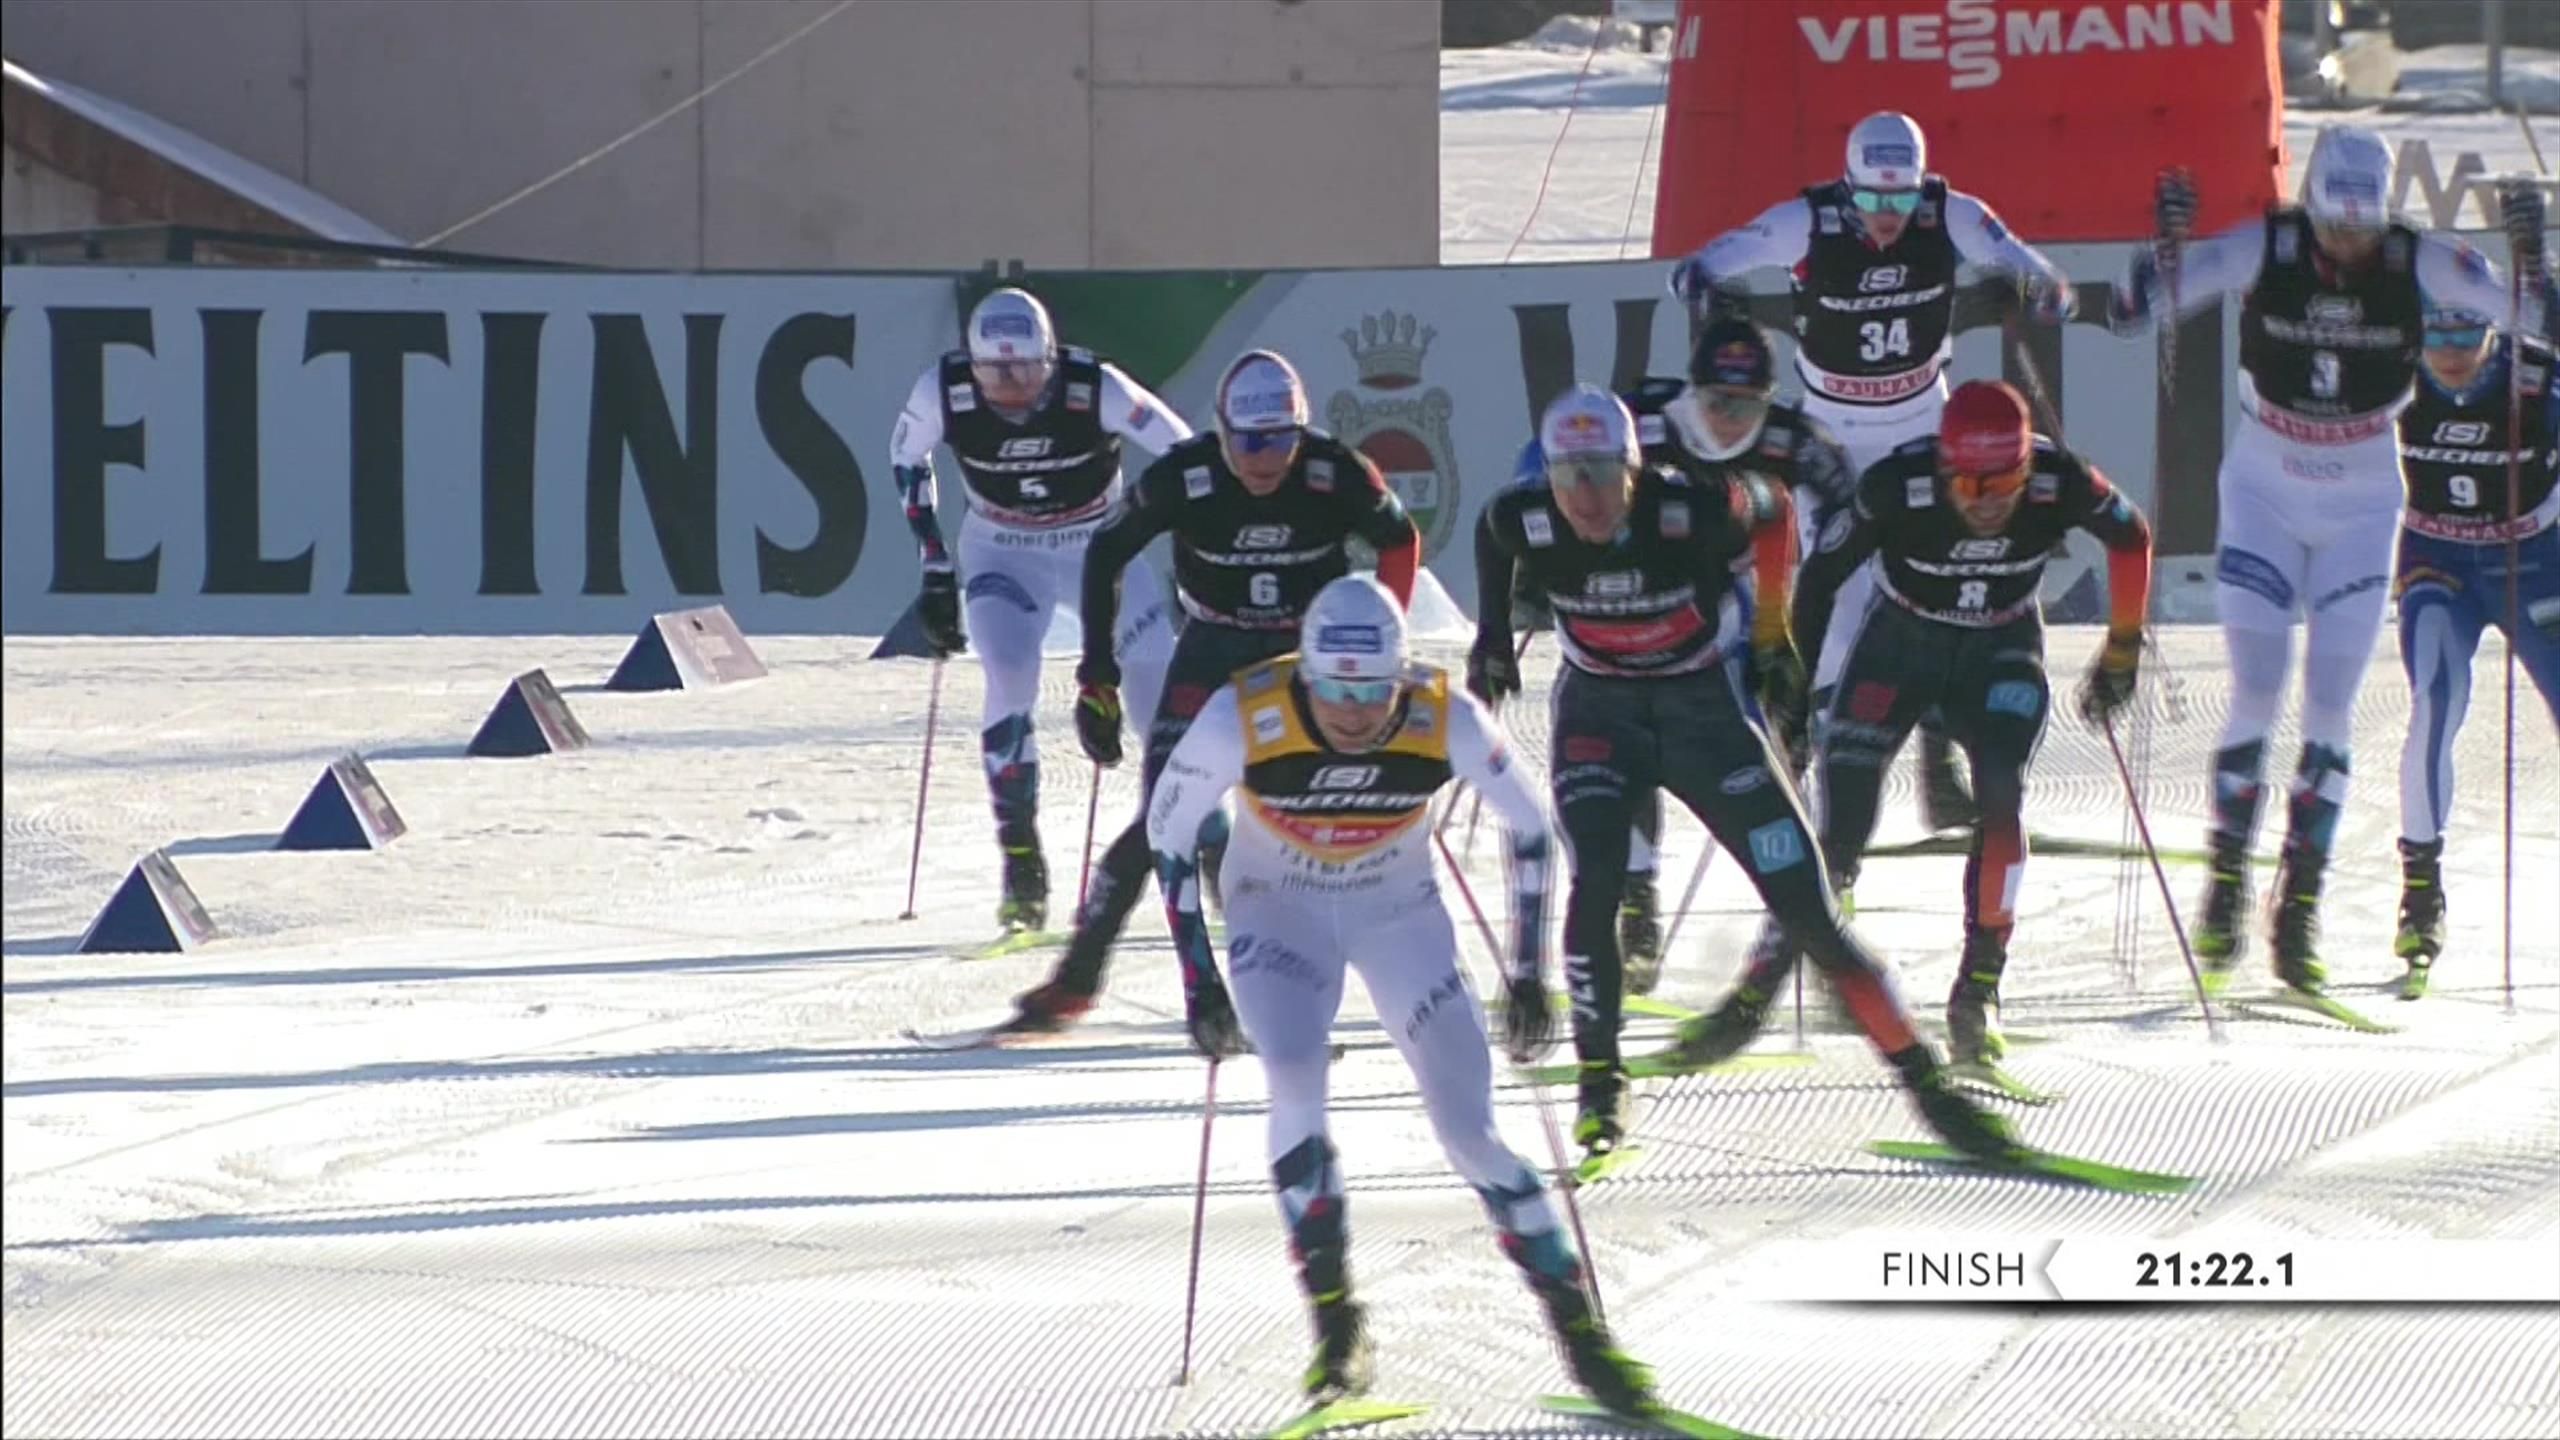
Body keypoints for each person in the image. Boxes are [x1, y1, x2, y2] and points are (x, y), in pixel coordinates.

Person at [1142, 575, 1655, 1414]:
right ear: (1306, 674)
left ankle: (1583, 1338)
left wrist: (1529, 972)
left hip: (1398, 917)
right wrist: (1199, 981)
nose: (1352, 713)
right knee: (1295, 1079)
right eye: (1334, 691)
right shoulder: (1245, 713)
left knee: (1472, 1133)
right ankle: (1337, 1326)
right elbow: (1167, 834)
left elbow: (1531, 825)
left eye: (1372, 691)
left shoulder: (1443, 713)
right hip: (1279, 914)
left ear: (1401, 676)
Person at [1469, 384, 2010, 1167]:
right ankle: (1601, 1080)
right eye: (1567, 478)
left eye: (1604, 475)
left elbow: (1775, 508)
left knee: (1810, 910)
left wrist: (1772, 633)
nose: (1587, 499)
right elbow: (1491, 533)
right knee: (1597, 883)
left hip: (1703, 713)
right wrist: (1489, 634)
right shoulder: (1524, 516)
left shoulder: (1687, 509)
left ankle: (1927, 1085)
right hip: (1601, 717)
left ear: (1634, 470)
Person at [2109, 126, 2548, 997]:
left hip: (2362, 496)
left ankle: (2299, 906)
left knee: (2330, 703)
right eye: (2333, 227)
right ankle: (2228, 879)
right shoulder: (2266, 245)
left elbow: (2536, 322)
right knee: (2258, 685)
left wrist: (2531, 261)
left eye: (2363, 228)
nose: (2348, 246)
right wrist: (2163, 250)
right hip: (2266, 486)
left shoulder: (2418, 259)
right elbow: (2133, 310)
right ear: (2309, 209)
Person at [1672, 382, 2155, 1070]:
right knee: (1839, 825)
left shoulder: (2060, 479)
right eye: (1971, 484)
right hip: (1900, 648)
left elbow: (2132, 536)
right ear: (1944, 467)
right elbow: (1821, 577)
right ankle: (1757, 992)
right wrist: (1794, 687)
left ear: (2027, 467)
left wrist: (2122, 652)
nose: (1987, 502)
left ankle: (1978, 990)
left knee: (2001, 798)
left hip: (2000, 651)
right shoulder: (1897, 486)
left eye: (2005, 482)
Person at [1669, 110, 2077, 835]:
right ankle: (1814, 782)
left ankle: (1941, 778)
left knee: (1941, 590)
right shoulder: (1807, 222)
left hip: (1925, 425)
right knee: (1841, 611)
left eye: (1901, 198)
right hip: (1835, 437)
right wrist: (1707, 288)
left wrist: (2035, 290)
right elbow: (1697, 267)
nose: (1888, 216)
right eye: (1870, 199)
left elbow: (2043, 276)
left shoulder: (1950, 213)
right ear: (1847, 186)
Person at [1005, 350, 1422, 1041]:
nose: (1264, 459)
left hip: (1305, 661)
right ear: (1223, 431)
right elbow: (1106, 551)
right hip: (1213, 649)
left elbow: (1399, 541)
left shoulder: (1335, 470)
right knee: (1164, 816)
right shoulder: (1185, 475)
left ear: (1301, 432)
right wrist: (1096, 676)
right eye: (1248, 442)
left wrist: (1385, 641)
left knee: (1321, 818)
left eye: (1281, 440)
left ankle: (1352, 976)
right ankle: (1100, 979)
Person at [1508, 319, 1858, 996]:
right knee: (1626, 736)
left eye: (1749, 405)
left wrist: (1778, 626)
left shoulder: (1793, 439)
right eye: (1717, 402)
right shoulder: (1646, 424)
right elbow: (1544, 467)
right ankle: (1637, 894)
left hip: (1738, 602)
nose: (1731, 421)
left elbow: (1830, 512)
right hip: (1639, 601)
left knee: (1780, 744)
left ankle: (1810, 924)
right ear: (1691, 391)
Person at [889, 288, 1191, 934]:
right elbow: (906, 456)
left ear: (1051, 359)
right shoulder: (943, 390)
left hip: (1098, 547)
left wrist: (1182, 544)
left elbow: (1185, 451)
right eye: (993, 372)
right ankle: (1021, 862)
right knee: (1008, 672)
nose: (1011, 388)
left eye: (1025, 369)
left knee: (1157, 695)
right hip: (1003, 549)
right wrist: (935, 566)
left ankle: (1201, 849)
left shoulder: (1096, 386)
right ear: (971, 364)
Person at [2390, 303, 2560, 999]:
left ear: (2495, 334)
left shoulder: (2537, 378)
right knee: (2434, 702)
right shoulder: (2397, 374)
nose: (2451, 353)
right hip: (2441, 563)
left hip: (2537, 564)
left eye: (2467, 336)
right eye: (2436, 336)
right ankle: (2420, 891)